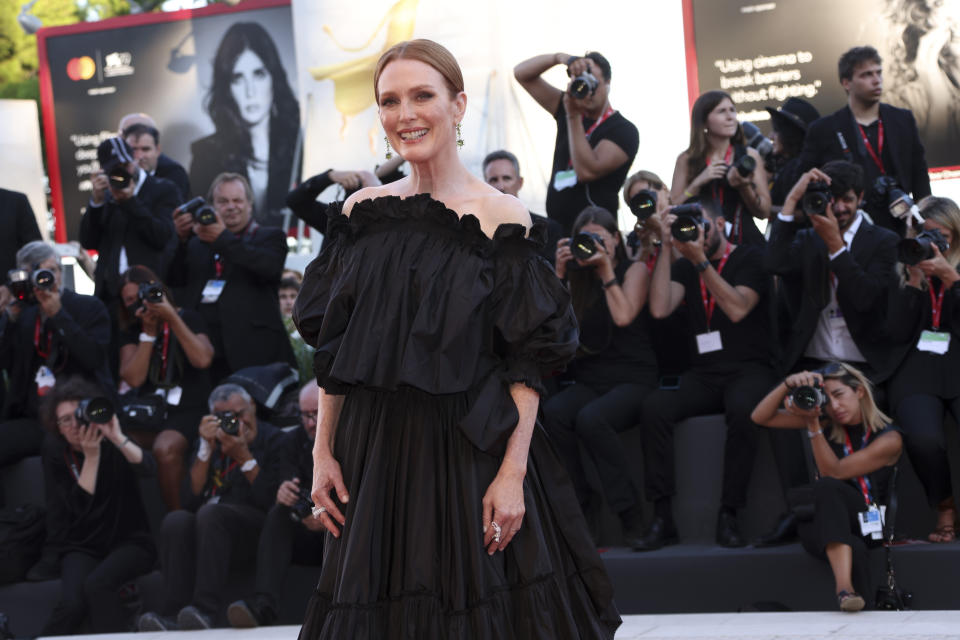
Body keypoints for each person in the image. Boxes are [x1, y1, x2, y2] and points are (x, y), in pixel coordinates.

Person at [293, 39, 620, 638]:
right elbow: (337, 353)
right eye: (389, 101)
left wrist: (513, 473)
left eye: (423, 95)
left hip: (468, 451)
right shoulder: (360, 215)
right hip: (374, 455)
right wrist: (322, 453)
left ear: (458, 104)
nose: (405, 114)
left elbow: (527, 360)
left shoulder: (504, 216)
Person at [636, 202, 774, 550]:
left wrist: (700, 260)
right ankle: (663, 515)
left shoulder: (751, 259)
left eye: (703, 226)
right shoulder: (684, 265)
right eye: (688, 227)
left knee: (743, 409)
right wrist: (667, 247)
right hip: (705, 373)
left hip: (751, 368)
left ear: (721, 224)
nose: (697, 234)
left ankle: (730, 513)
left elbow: (738, 308)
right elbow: (659, 308)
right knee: (654, 408)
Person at [543, 205, 656, 547]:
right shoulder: (577, 278)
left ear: (616, 240)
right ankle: (582, 508)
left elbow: (623, 316)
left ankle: (630, 514)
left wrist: (606, 269)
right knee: (556, 413)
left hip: (634, 377)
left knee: (592, 420)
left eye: (599, 239)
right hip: (592, 380)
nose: (591, 246)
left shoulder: (634, 270)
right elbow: (550, 332)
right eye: (584, 240)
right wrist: (560, 275)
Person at [751, 362, 903, 612]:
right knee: (850, 544)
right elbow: (760, 416)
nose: (834, 406)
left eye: (839, 395)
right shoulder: (826, 422)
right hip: (831, 519)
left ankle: (843, 589)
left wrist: (812, 426)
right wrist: (788, 384)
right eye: (826, 398)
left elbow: (835, 472)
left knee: (827, 487)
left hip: (872, 523)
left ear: (860, 392)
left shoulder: (889, 438)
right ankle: (858, 606)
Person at [138, 383, 283, 631]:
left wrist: (243, 457)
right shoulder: (210, 442)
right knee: (177, 520)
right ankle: (173, 614)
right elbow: (188, 499)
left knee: (211, 513)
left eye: (240, 414)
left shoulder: (274, 439)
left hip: (255, 531)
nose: (235, 422)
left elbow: (271, 501)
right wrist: (205, 450)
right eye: (224, 417)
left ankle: (204, 610)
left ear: (254, 408)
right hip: (211, 531)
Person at [38, 376, 157, 634]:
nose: (73, 426)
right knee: (71, 605)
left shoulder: (109, 438)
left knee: (98, 584)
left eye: (77, 416)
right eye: (64, 420)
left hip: (130, 540)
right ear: (56, 427)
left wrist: (116, 437)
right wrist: (91, 459)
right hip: (82, 545)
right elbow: (76, 509)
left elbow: (148, 469)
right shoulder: (56, 451)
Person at [166, 172, 295, 384]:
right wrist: (180, 240)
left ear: (250, 205)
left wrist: (221, 239)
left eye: (237, 200)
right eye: (223, 201)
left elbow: (268, 267)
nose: (231, 207)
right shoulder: (196, 243)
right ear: (212, 206)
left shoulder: (270, 237)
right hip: (205, 354)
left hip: (254, 356)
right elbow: (175, 282)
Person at [0, 242, 113, 469]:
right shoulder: (23, 315)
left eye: (51, 271)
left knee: (56, 445)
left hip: (80, 414)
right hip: (35, 416)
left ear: (61, 273)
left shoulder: (88, 307)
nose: (46, 279)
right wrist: (7, 319)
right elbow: (5, 363)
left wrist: (58, 315)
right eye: (37, 274)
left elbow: (93, 358)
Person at [887, 195, 960, 543]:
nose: (933, 243)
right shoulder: (905, 265)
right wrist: (913, 280)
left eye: (941, 235)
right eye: (925, 235)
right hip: (917, 367)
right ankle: (944, 505)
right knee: (924, 437)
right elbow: (895, 332)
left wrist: (952, 280)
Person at [799, 46, 930, 236]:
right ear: (846, 83)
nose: (876, 80)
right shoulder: (824, 129)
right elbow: (806, 181)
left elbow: (919, 174)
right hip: (849, 230)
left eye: (879, 73)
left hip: (901, 224)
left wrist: (924, 219)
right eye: (867, 75)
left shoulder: (902, 119)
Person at [226, 381, 325, 628]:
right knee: (279, 512)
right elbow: (287, 484)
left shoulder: (352, 439)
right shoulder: (292, 440)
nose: (311, 423)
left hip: (341, 532)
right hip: (304, 529)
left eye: (317, 414)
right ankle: (264, 606)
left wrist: (323, 514)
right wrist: (285, 494)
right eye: (305, 415)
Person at [117, 265, 214, 511]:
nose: (138, 302)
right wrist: (148, 334)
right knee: (115, 442)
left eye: (142, 293)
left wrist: (172, 317)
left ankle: (177, 520)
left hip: (189, 408)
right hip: (150, 412)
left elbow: (202, 358)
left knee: (166, 446)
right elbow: (134, 378)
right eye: (129, 300)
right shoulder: (132, 331)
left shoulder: (189, 317)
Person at [514, 51, 639, 233]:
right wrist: (560, 58)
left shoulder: (623, 130)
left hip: (596, 231)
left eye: (592, 80)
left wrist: (573, 115)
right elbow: (522, 74)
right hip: (558, 228)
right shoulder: (567, 106)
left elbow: (586, 171)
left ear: (607, 83)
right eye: (581, 79)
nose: (587, 89)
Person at [190, 22, 300, 228]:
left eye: (258, 74)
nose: (250, 92)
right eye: (238, 78)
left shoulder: (300, 144)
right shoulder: (206, 154)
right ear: (227, 87)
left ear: (273, 78)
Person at [671, 90, 770, 247]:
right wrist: (697, 183)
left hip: (745, 243)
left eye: (732, 110)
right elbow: (673, 208)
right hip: (703, 243)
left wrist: (743, 186)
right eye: (721, 111)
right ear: (704, 122)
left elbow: (764, 212)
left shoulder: (750, 155)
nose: (730, 117)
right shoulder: (687, 159)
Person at [482, 149, 563, 263]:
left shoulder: (548, 230)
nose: (501, 186)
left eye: (506, 178)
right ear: (485, 185)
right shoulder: (477, 231)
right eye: (494, 180)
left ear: (520, 183)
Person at [286, 157, 405, 235]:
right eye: (358, 181)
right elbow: (295, 201)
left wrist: (408, 154)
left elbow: (381, 174)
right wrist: (329, 176)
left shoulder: (397, 220)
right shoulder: (337, 221)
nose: (359, 178)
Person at [118, 112, 191, 199]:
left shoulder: (174, 172)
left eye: (145, 149)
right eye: (133, 149)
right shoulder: (116, 168)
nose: (139, 156)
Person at [765, 97, 820, 212]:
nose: (771, 136)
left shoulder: (799, 170)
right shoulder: (781, 167)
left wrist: (762, 207)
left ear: (789, 135)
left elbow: (801, 213)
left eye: (776, 131)